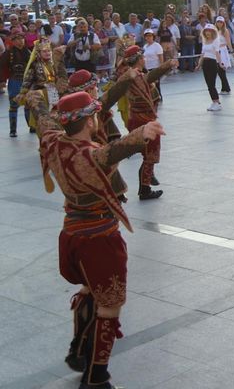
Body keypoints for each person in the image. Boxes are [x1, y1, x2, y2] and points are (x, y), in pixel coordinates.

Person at [26, 89, 165, 389]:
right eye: (94, 115)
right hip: (99, 239)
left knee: (90, 289)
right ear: (89, 121)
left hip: (71, 234)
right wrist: (142, 132)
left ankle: (78, 351)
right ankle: (97, 377)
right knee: (109, 305)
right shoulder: (89, 155)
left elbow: (42, 116)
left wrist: (35, 97)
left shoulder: (52, 140)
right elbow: (113, 152)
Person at [119, 45, 175, 200]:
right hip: (143, 120)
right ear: (138, 60)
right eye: (142, 57)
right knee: (150, 155)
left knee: (148, 155)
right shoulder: (131, 77)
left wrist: (167, 65)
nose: (145, 59)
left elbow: (151, 77)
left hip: (141, 118)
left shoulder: (137, 75)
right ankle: (145, 188)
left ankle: (147, 182)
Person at [1, 31, 30, 136]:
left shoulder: (28, 52)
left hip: (27, 81)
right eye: (17, 39)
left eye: (21, 39)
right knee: (13, 105)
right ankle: (13, 130)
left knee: (28, 104)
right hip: (14, 81)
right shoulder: (9, 53)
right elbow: (2, 67)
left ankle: (31, 126)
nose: (20, 41)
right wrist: (2, 80)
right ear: (13, 41)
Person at [196, 24, 224, 112]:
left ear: (212, 32)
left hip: (212, 62)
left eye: (209, 31)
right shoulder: (205, 41)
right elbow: (202, 54)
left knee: (212, 84)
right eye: (206, 31)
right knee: (208, 84)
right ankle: (214, 101)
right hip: (205, 62)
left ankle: (217, 102)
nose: (208, 33)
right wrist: (199, 65)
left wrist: (220, 63)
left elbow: (217, 53)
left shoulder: (215, 41)